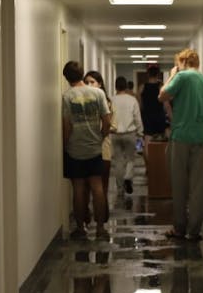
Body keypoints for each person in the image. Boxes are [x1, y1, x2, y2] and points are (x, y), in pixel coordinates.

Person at [159, 48, 203, 241]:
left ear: (182, 62)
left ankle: (179, 228)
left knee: (179, 185)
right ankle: (194, 230)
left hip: (181, 137)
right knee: (198, 187)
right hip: (201, 138)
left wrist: (172, 75)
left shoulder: (182, 77)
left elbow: (162, 96)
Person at [61, 60, 111, 237]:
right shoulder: (98, 93)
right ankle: (100, 228)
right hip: (94, 148)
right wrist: (100, 137)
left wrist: (65, 145)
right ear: (82, 74)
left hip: (75, 149)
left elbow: (67, 126)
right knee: (97, 187)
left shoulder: (67, 97)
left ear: (66, 78)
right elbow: (107, 121)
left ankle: (81, 228)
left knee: (78, 189)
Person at [83, 71, 113, 205]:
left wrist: (99, 136)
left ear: (100, 84)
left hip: (103, 150)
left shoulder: (107, 103)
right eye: (87, 82)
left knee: (101, 185)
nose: (89, 85)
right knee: (86, 187)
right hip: (86, 149)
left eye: (92, 82)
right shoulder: (81, 102)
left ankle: (102, 217)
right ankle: (86, 216)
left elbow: (110, 125)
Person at [110, 76, 143, 198]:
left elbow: (108, 117)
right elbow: (137, 117)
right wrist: (140, 132)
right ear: (126, 86)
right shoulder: (132, 100)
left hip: (115, 134)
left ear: (115, 86)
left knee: (118, 161)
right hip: (130, 133)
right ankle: (128, 177)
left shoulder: (111, 100)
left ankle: (119, 188)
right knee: (130, 159)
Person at [139, 65, 168, 139]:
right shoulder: (161, 87)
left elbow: (140, 105)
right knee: (160, 141)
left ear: (148, 74)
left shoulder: (142, 87)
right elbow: (165, 105)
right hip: (159, 116)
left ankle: (147, 150)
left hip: (147, 117)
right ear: (157, 74)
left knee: (147, 139)